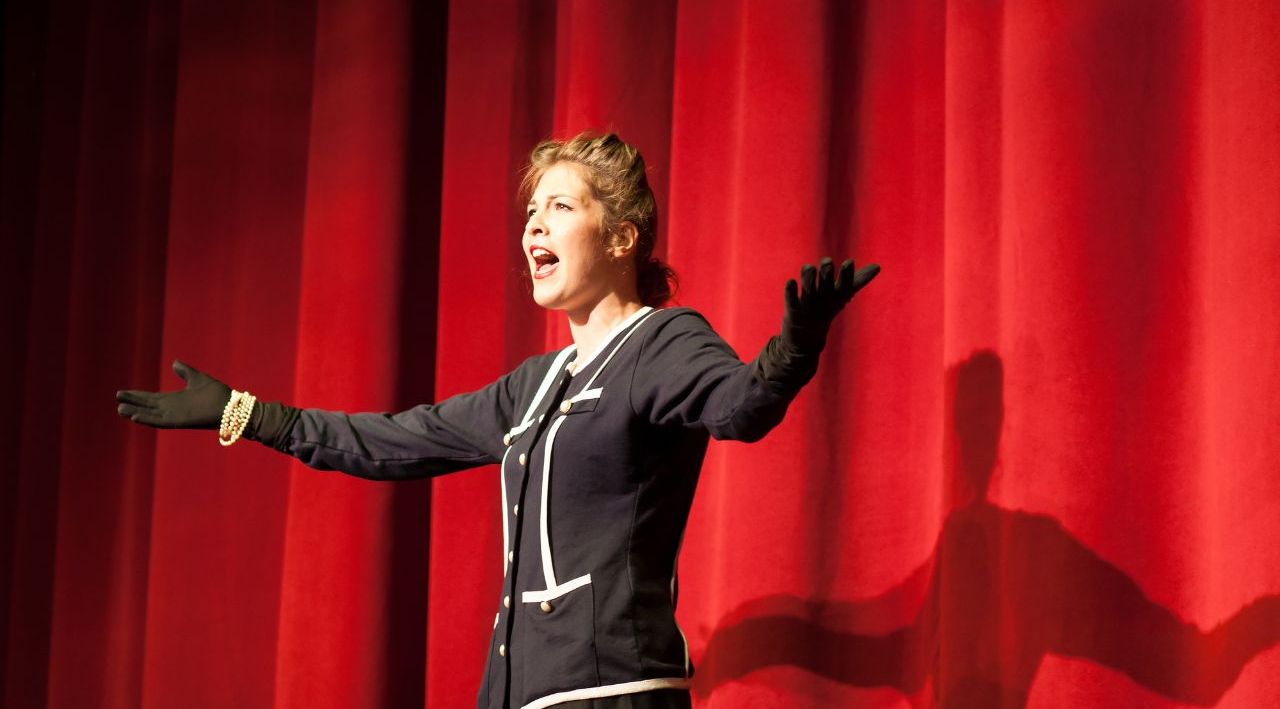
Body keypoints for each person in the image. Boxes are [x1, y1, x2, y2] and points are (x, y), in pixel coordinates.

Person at [116, 133, 879, 709]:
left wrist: (795, 346)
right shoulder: (534, 385)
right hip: (516, 693)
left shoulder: (662, 342)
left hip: (607, 696)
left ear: (620, 237)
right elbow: (391, 442)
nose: (532, 229)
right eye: (530, 213)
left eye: (560, 207)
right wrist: (245, 414)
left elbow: (741, 410)